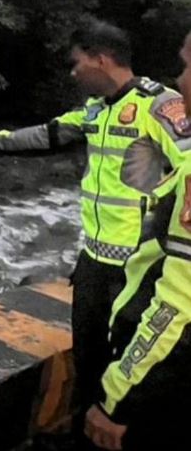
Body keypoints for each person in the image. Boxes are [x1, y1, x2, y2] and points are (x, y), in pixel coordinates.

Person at [0, 19, 191, 446]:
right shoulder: (96, 110)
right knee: (89, 359)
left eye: (77, 63)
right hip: (94, 262)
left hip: (136, 269)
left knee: (126, 364)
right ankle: (85, 433)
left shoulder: (161, 107)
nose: (72, 72)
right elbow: (50, 134)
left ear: (101, 59)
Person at [84, 30, 191, 451]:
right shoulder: (97, 111)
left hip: (165, 386)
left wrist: (116, 397)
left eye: (186, 67)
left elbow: (177, 307)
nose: (179, 82)